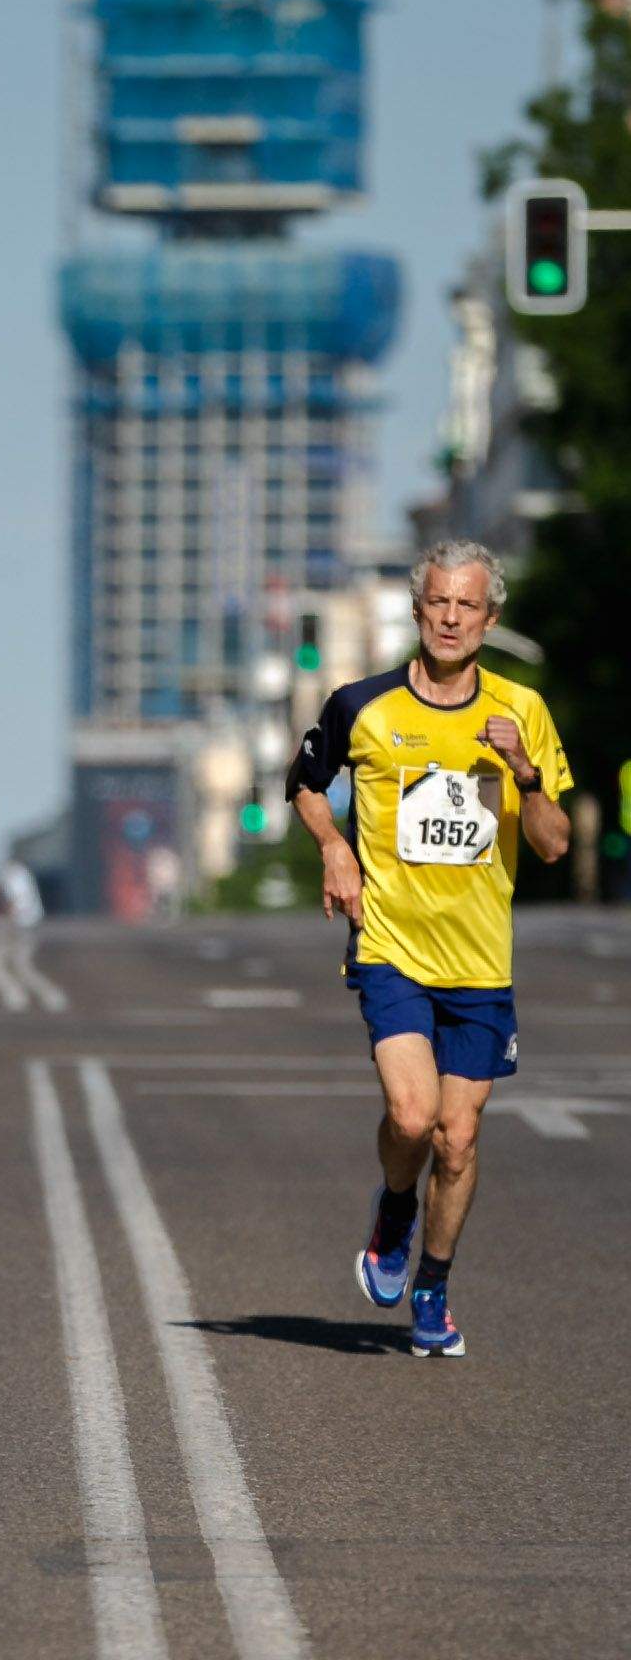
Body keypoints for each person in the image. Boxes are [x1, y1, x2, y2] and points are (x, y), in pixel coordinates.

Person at [287, 540, 572, 1358]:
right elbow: (303, 784)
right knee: (412, 1118)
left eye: (467, 605)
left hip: (481, 962)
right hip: (392, 946)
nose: (450, 618)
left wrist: (521, 772)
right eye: (437, 602)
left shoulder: (522, 711)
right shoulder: (362, 704)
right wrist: (334, 849)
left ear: (490, 618)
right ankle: (393, 1209)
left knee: (460, 1137)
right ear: (417, 611)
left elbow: (551, 844)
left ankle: (432, 1286)